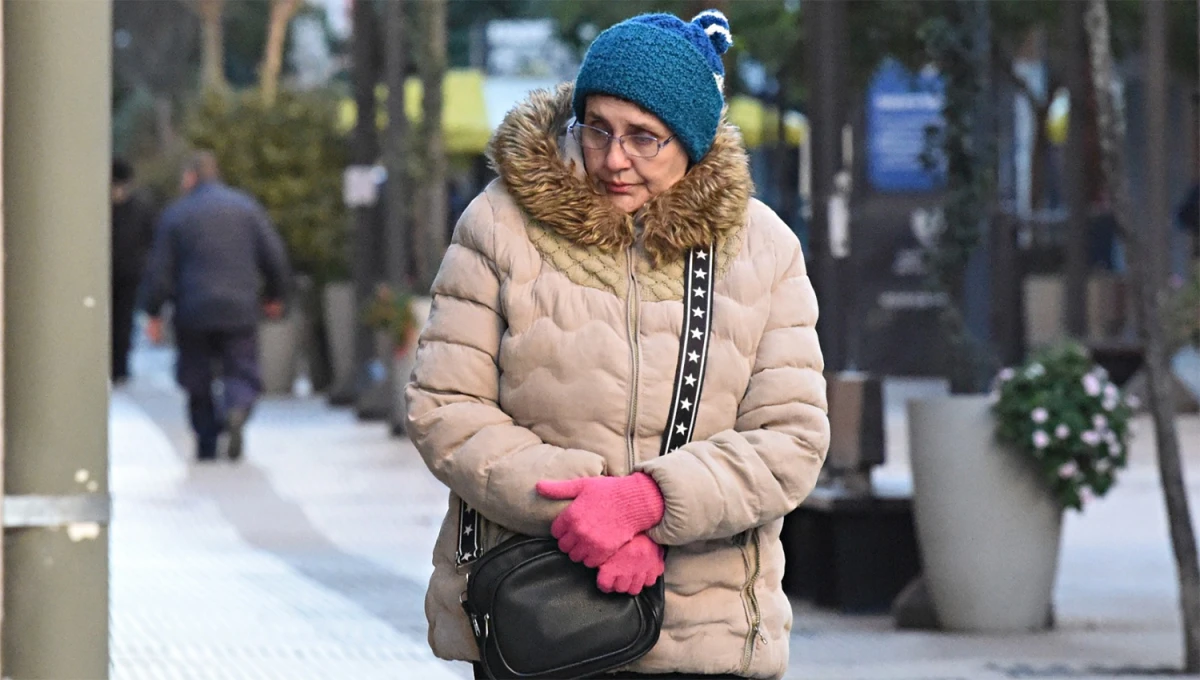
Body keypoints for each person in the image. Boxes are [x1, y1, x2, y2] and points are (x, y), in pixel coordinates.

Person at [406, 10, 829, 680]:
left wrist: (646, 504)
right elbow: (445, 408)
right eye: (597, 127)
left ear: (692, 142)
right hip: (539, 619)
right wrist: (587, 515)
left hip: (709, 634)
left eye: (643, 138)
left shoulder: (765, 249)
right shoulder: (498, 225)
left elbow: (791, 438)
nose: (612, 158)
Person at [140, 151, 291, 462]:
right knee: (241, 366)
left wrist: (153, 312)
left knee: (196, 374)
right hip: (240, 307)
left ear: (191, 177)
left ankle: (206, 439)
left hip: (192, 310)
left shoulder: (177, 214)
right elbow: (274, 256)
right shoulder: (246, 208)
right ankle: (237, 406)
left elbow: (160, 271)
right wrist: (275, 295)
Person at [110, 158, 158, 384]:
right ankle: (116, 366)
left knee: (123, 321)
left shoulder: (139, 207)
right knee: (120, 321)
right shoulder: (141, 206)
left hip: (128, 273)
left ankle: (119, 366)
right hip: (124, 271)